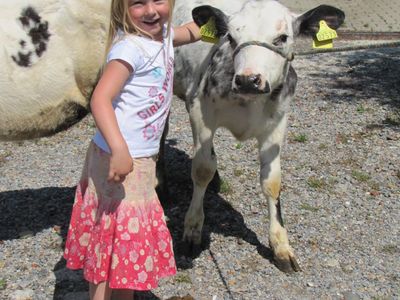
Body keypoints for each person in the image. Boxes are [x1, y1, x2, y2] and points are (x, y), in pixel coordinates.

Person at [63, 0, 201, 299]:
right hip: (122, 156)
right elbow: (100, 100)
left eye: (159, 1)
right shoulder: (129, 49)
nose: (151, 11)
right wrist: (119, 149)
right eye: (138, 3)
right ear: (122, 8)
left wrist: (225, 21)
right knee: (114, 235)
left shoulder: (162, 35)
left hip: (139, 157)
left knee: (123, 238)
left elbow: (191, 32)